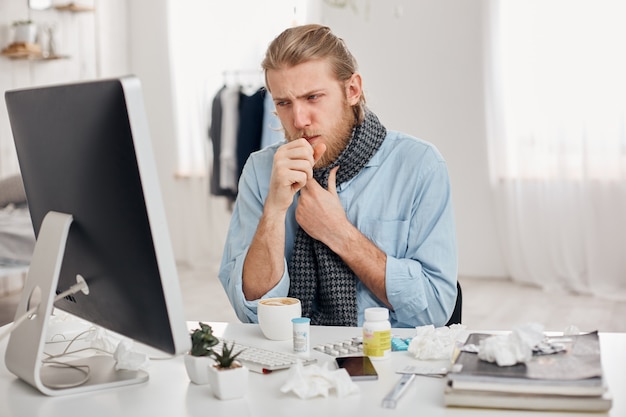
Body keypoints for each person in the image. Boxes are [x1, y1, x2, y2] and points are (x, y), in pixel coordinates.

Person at [218, 24, 457, 328]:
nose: (299, 120)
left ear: (352, 90)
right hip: (292, 359)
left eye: (313, 97)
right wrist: (275, 210)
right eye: (284, 103)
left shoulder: (420, 165)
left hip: (385, 357)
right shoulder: (261, 171)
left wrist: (338, 233)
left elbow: (434, 308)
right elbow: (251, 309)